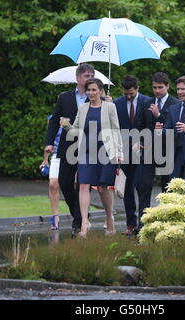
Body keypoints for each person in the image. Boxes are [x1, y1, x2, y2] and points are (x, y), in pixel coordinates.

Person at [63, 78, 123, 238]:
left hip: (106, 152)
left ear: (100, 91)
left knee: (103, 188)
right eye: (88, 90)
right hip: (86, 152)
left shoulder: (110, 107)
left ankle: (109, 217)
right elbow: (75, 129)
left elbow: (116, 130)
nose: (90, 93)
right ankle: (84, 223)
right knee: (83, 185)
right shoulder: (82, 108)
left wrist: (119, 152)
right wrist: (66, 125)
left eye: (94, 90)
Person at [45, 63, 95, 238]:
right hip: (67, 146)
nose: (89, 79)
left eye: (91, 76)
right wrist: (49, 143)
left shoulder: (97, 97)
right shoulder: (64, 97)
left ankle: (78, 223)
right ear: (78, 78)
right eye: (86, 76)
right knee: (65, 182)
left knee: (83, 184)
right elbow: (53, 122)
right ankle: (80, 216)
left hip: (88, 147)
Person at [136, 72, 179, 232]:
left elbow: (173, 127)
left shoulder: (175, 104)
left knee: (166, 189)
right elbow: (140, 125)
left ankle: (166, 226)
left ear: (167, 86)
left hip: (167, 152)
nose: (157, 91)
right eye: (154, 87)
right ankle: (143, 225)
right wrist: (139, 142)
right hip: (148, 152)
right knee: (144, 187)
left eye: (160, 87)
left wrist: (158, 115)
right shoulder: (146, 102)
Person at [113, 75, 150, 236]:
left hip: (143, 152)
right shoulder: (116, 103)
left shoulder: (147, 102)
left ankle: (144, 224)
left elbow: (149, 125)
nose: (128, 96)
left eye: (131, 93)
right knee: (127, 188)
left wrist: (142, 142)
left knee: (141, 186)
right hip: (125, 153)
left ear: (137, 88)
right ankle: (130, 224)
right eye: (126, 93)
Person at [40, 115, 62, 230]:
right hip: (56, 155)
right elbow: (49, 139)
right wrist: (45, 160)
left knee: (75, 186)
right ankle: (55, 217)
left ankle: (81, 217)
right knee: (53, 184)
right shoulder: (51, 118)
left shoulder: (75, 114)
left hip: (72, 156)